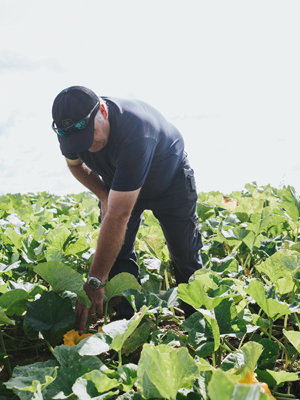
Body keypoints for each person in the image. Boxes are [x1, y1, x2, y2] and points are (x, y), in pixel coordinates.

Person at [51, 86, 203, 334]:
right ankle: (127, 326)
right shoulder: (70, 132)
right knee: (119, 254)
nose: (87, 146)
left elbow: (119, 215)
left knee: (184, 255)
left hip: (170, 180)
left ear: (102, 111)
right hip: (118, 181)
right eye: (79, 142)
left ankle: (197, 326)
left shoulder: (135, 132)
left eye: (90, 135)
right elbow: (76, 166)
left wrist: (95, 280)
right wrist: (103, 195)